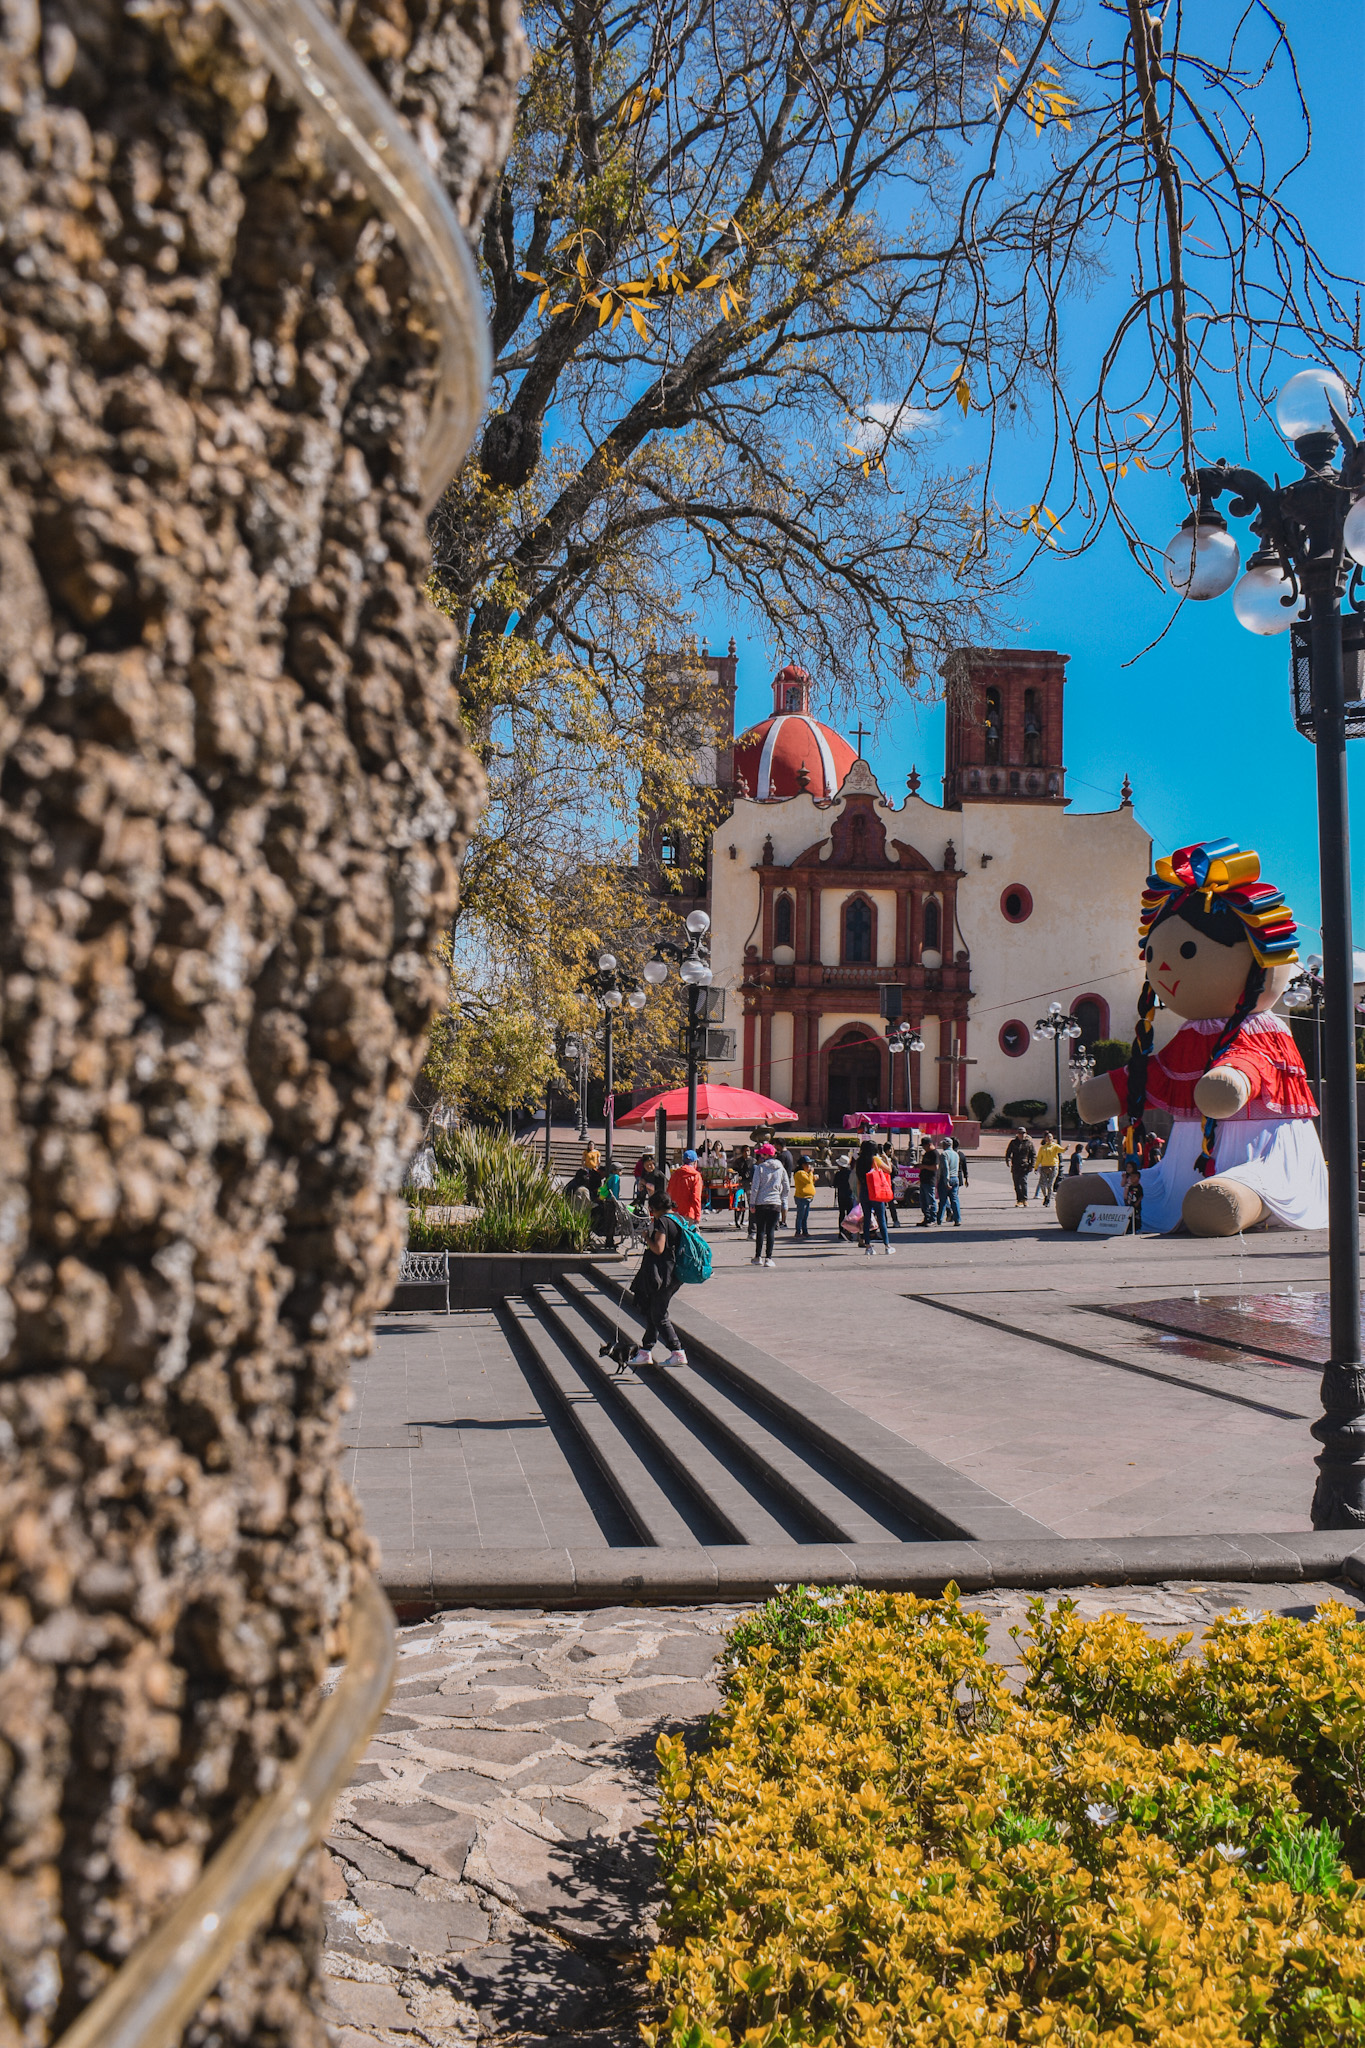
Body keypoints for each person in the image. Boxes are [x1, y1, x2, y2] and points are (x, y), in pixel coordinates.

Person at [628, 1191, 687, 1366]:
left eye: (651, 1208)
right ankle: (646, 1351)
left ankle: (677, 1351)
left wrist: (646, 1237)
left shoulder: (663, 1222)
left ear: (655, 1208)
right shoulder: (679, 1219)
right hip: (674, 1274)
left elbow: (659, 1248)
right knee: (653, 1310)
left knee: (659, 1314)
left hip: (662, 1275)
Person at [748, 1142, 791, 1267]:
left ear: (765, 1155)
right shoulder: (781, 1168)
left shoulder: (760, 1168)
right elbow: (786, 1186)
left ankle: (758, 1256)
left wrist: (752, 1203)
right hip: (775, 1203)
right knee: (771, 1231)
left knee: (760, 1230)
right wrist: (782, 1198)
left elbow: (755, 1187)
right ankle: (769, 1258)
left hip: (761, 1203)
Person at [856, 1140, 893, 1254]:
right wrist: (885, 1157)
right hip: (875, 1191)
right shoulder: (875, 1159)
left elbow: (858, 1181)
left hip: (864, 1191)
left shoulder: (859, 1161)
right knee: (881, 1218)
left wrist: (859, 1196)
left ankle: (868, 1247)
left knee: (867, 1219)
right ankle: (887, 1246)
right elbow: (889, 1170)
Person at [668, 1148, 704, 1222]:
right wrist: (697, 1216)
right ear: (695, 1162)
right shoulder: (696, 1176)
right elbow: (696, 1198)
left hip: (675, 1214)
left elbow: (669, 1193)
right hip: (689, 1214)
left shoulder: (675, 1174)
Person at [1005, 1128, 1035, 1207]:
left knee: (1023, 1182)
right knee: (1017, 1184)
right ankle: (1019, 1200)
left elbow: (1033, 1155)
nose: (1022, 1135)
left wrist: (1032, 1165)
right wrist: (1007, 1160)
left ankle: (1025, 1199)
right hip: (1015, 1166)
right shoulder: (1013, 1143)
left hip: (1025, 1166)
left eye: (1023, 1133)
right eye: (1020, 1133)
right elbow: (1008, 1152)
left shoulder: (1029, 1143)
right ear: (1017, 1134)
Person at [935, 1139, 961, 1226]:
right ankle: (957, 1219)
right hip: (955, 1178)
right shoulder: (956, 1154)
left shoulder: (944, 1154)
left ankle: (939, 1219)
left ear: (945, 1145)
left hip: (946, 1179)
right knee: (954, 1199)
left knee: (943, 1200)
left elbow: (946, 1168)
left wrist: (946, 1181)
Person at [1034, 1131, 1063, 1205]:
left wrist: (1066, 1149)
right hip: (1044, 1167)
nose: (1049, 1138)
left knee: (1050, 1185)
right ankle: (1045, 1196)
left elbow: (1061, 1150)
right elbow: (1039, 1158)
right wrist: (1036, 1167)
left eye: (1050, 1137)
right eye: (1048, 1137)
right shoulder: (1043, 1148)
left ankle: (1048, 1199)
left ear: (1053, 1138)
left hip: (1053, 1167)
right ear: (1045, 1139)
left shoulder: (1055, 1146)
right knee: (1042, 1184)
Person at [792, 1156, 816, 1238]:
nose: (809, 1166)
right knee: (800, 1216)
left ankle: (805, 1231)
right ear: (803, 1165)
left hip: (808, 1197)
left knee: (805, 1216)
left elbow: (810, 1181)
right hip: (802, 1197)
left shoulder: (806, 1173)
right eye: (808, 1164)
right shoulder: (800, 1173)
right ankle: (798, 1232)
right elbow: (808, 1180)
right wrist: (811, 1173)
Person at [917, 1140, 939, 1225]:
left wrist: (923, 1167)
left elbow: (935, 1167)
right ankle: (927, 1217)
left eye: (924, 1146)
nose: (923, 1148)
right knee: (923, 1201)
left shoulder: (934, 1153)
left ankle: (933, 1219)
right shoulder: (926, 1154)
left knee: (931, 1200)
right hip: (923, 1180)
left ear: (929, 1145)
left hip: (930, 1180)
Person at [832, 1153, 854, 1238]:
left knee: (841, 1214)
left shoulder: (838, 1174)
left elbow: (834, 1184)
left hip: (841, 1196)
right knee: (850, 1215)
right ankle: (849, 1232)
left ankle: (841, 1232)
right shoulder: (851, 1173)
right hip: (850, 1196)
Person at [1121, 1157, 1144, 1234]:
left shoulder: (1137, 1182)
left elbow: (1141, 1194)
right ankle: (1129, 1228)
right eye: (1127, 1167)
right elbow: (1122, 1185)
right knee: (1129, 1215)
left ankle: (1137, 1228)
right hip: (1128, 1199)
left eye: (1130, 1167)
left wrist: (1137, 1202)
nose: (1128, 1168)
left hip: (1135, 1200)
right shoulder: (1127, 1177)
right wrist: (1124, 1178)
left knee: (1136, 1215)